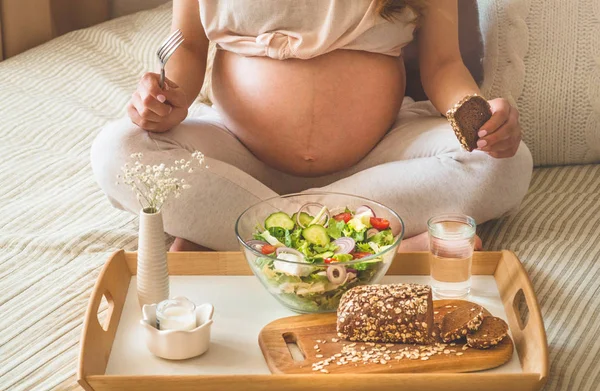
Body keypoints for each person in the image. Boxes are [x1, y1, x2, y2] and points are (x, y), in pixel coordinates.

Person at [91, 0, 532, 252]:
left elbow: (442, 64)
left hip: (375, 163)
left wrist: (477, 115)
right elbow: (188, 44)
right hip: (241, 160)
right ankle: (367, 246)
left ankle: (249, 237)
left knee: (505, 164)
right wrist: (170, 99)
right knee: (118, 149)